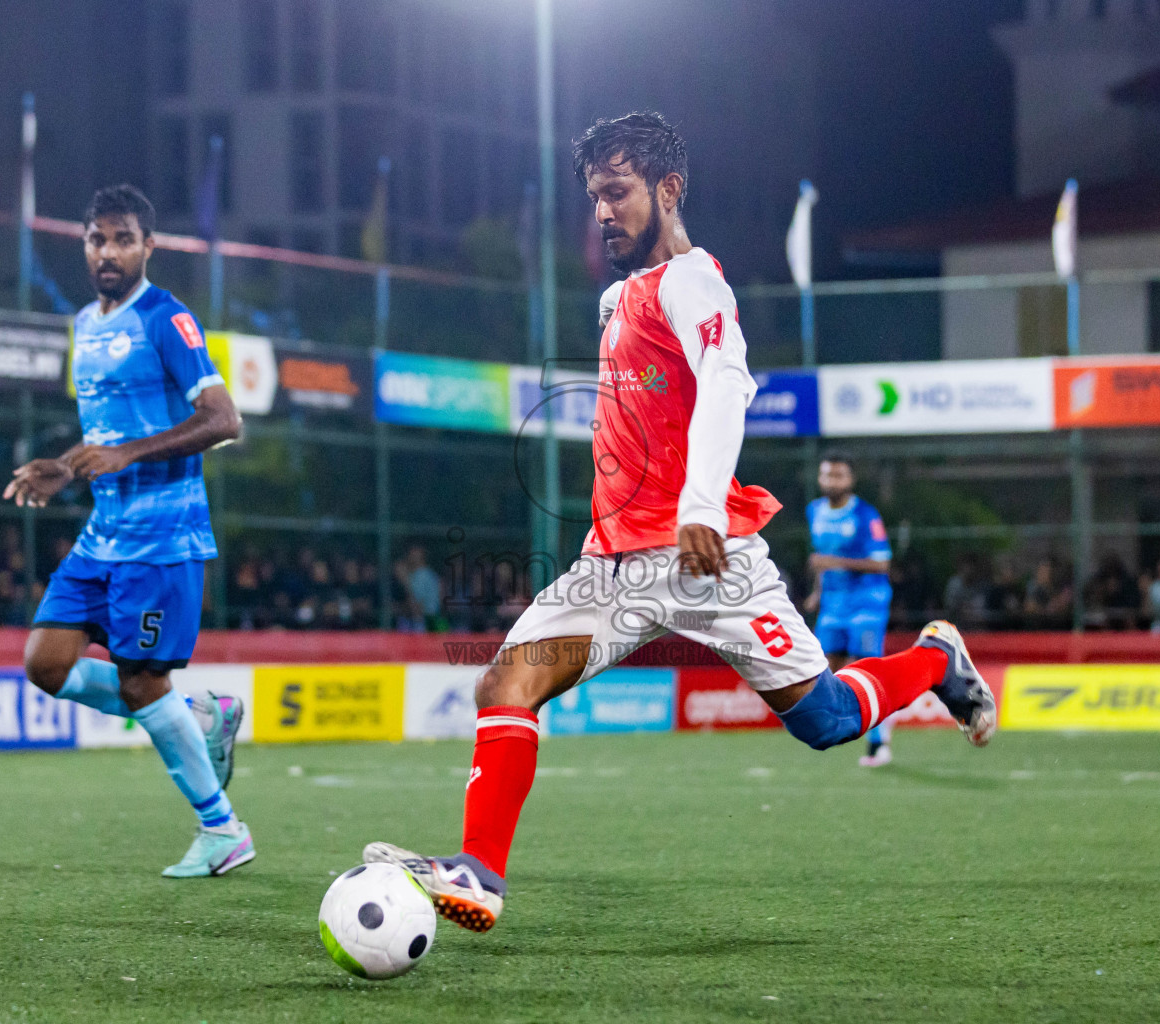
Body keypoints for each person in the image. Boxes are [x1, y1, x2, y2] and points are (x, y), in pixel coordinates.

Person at [362, 112, 995, 934]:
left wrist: (699, 505)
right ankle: (479, 871)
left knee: (827, 720)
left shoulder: (694, 281)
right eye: (593, 196)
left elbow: (729, 383)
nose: (601, 212)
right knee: (504, 683)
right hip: (613, 564)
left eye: (617, 193)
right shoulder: (617, 295)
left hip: (709, 558)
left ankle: (937, 659)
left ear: (668, 190)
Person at [4, 185, 253, 876]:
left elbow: (224, 419)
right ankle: (199, 714)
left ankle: (223, 830)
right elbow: (106, 437)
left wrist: (127, 454)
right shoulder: (83, 323)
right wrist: (63, 467)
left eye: (121, 238)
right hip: (102, 533)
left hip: (162, 538)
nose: (106, 251)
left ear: (149, 246)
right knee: (44, 663)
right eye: (95, 238)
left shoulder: (166, 319)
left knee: (142, 686)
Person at [802, 453, 895, 767]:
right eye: (827, 475)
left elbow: (882, 563)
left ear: (850, 479)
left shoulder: (865, 515)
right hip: (833, 605)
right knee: (823, 669)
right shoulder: (814, 511)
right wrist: (817, 592)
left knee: (868, 669)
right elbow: (820, 560)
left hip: (867, 603)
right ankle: (844, 725)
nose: (832, 481)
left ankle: (878, 743)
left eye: (838, 475)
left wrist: (835, 563)